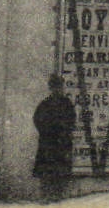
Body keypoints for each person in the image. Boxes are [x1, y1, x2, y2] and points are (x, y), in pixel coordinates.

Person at [33, 74, 76, 202]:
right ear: (51, 88)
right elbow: (37, 120)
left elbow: (71, 121)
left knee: (60, 171)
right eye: (54, 87)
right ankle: (46, 197)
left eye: (59, 87)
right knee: (46, 172)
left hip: (61, 143)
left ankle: (58, 197)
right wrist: (47, 132)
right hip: (48, 143)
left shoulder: (67, 104)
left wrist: (64, 132)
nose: (57, 89)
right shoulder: (45, 104)